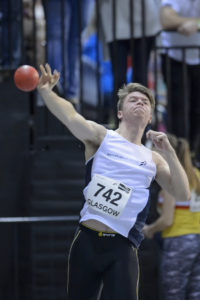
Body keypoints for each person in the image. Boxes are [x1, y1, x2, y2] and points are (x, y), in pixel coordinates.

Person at [37, 63, 190, 300]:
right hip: (86, 240)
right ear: (120, 112)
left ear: (150, 117)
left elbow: (182, 195)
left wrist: (170, 152)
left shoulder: (154, 159)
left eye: (145, 102)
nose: (140, 102)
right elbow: (70, 117)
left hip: (123, 247)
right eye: (133, 99)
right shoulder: (101, 138)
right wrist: (47, 92)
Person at [143, 134, 200, 300]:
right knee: (196, 294)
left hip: (178, 242)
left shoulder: (172, 180)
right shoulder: (196, 175)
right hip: (198, 240)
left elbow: (167, 220)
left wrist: (149, 229)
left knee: (174, 294)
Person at [160, 0, 200, 151]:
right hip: (175, 58)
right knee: (178, 112)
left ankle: (194, 157)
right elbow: (165, 19)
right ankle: (180, 157)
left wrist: (195, 23)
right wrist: (192, 22)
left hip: (197, 58)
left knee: (197, 111)